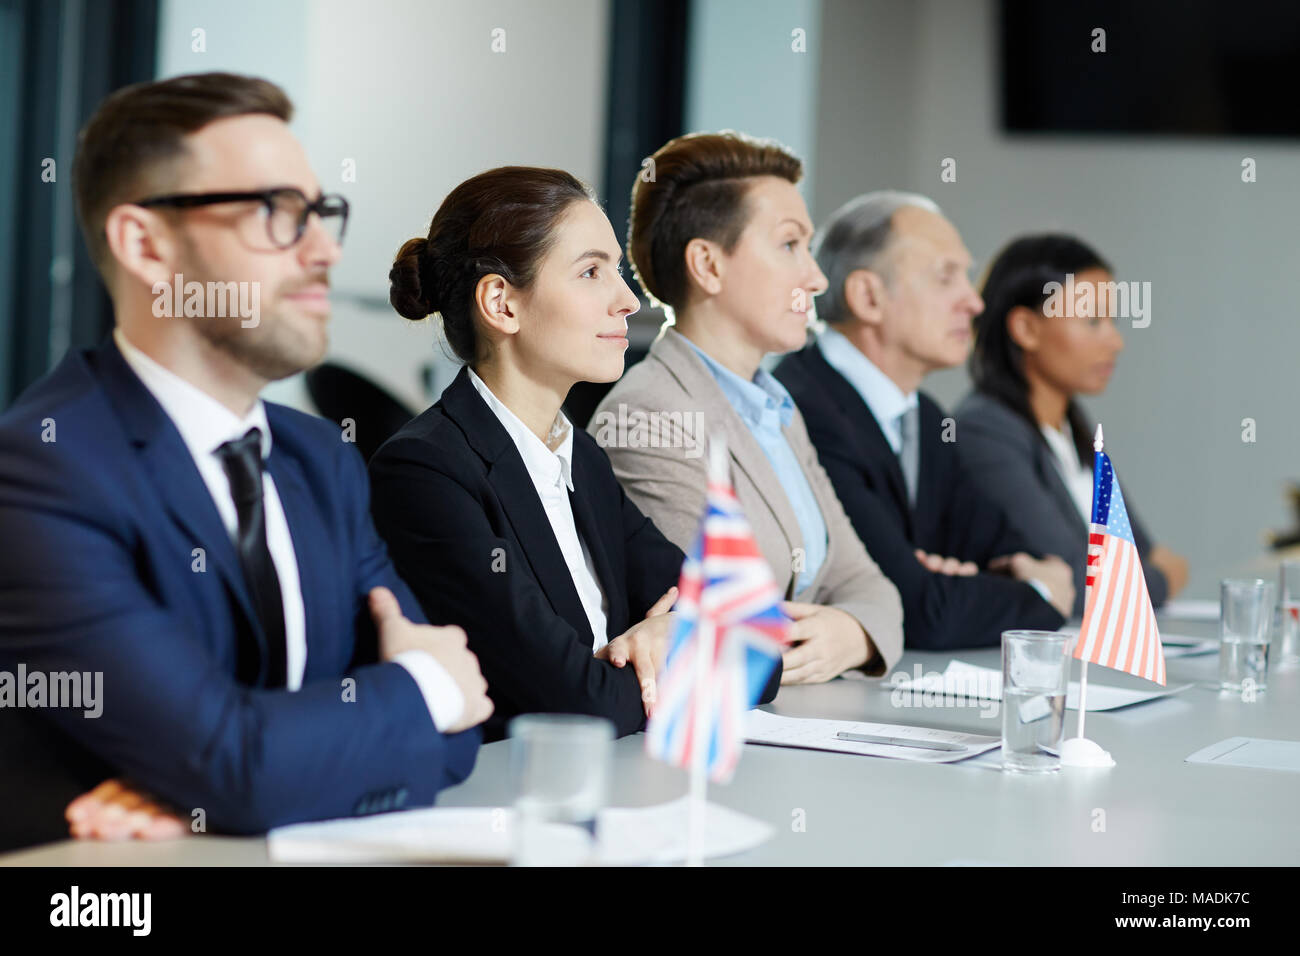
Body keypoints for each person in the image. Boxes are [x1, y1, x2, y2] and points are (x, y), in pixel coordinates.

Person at [0, 73, 490, 851]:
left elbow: (461, 731)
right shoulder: (43, 470)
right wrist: (420, 688)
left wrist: (245, 779)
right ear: (146, 244)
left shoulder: (322, 460)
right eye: (276, 213)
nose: (326, 248)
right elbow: (238, 762)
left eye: (322, 212)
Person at [370, 167, 780, 742]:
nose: (628, 301)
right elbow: (577, 709)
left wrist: (671, 635)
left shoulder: (579, 458)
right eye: (591, 272)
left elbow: (759, 643)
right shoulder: (426, 472)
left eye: (616, 270)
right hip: (510, 807)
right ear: (501, 304)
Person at [591, 131, 903, 682]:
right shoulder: (648, 416)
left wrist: (851, 633)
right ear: (708, 265)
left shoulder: (777, 409)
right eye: (790, 245)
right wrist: (827, 631)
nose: (816, 276)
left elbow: (872, 588)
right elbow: (718, 621)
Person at [774, 192, 1073, 649]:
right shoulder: (802, 406)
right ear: (868, 296)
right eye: (945, 278)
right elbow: (921, 611)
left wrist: (980, 582)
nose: (974, 303)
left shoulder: (928, 419)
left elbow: (1016, 551)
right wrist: (1039, 592)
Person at [955, 234, 1188, 615]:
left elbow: (1141, 551)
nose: (1115, 341)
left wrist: (1145, 574)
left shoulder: (1072, 432)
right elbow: (1086, 584)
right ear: (1026, 329)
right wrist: (1161, 578)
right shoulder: (985, 431)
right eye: (1092, 320)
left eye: (1111, 320)